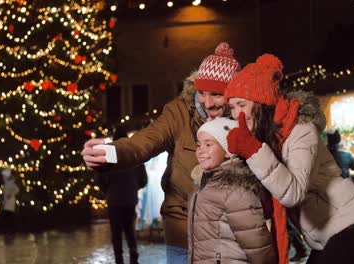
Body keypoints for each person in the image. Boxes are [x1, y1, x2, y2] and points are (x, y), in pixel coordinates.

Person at [81, 42, 240, 263]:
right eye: (202, 93)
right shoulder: (179, 112)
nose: (207, 102)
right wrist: (110, 152)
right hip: (184, 230)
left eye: (216, 95)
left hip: (231, 234)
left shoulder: (244, 117)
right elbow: (146, 140)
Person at [224, 54, 354, 264]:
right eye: (232, 107)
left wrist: (252, 150)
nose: (236, 114)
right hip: (325, 235)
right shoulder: (265, 139)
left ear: (261, 104)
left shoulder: (301, 131)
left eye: (242, 105)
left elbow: (293, 193)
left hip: (352, 227)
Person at [188, 117, 276, 263]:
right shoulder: (205, 185)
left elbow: (257, 246)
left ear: (227, 152)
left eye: (208, 144)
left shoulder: (237, 191)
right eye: (198, 145)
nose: (201, 151)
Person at [94, 126, 148, 264]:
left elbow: (99, 178)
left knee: (116, 231)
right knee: (129, 228)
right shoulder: (134, 154)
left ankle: (119, 258)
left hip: (114, 200)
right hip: (130, 198)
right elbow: (143, 180)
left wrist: (108, 190)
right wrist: (134, 187)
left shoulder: (107, 156)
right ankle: (133, 252)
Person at [1, 168, 19, 241]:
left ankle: (11, 233)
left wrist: (10, 194)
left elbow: (16, 189)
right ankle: (8, 233)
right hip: (6, 205)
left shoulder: (11, 183)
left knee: (10, 219)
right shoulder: (6, 183)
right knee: (7, 219)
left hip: (10, 205)